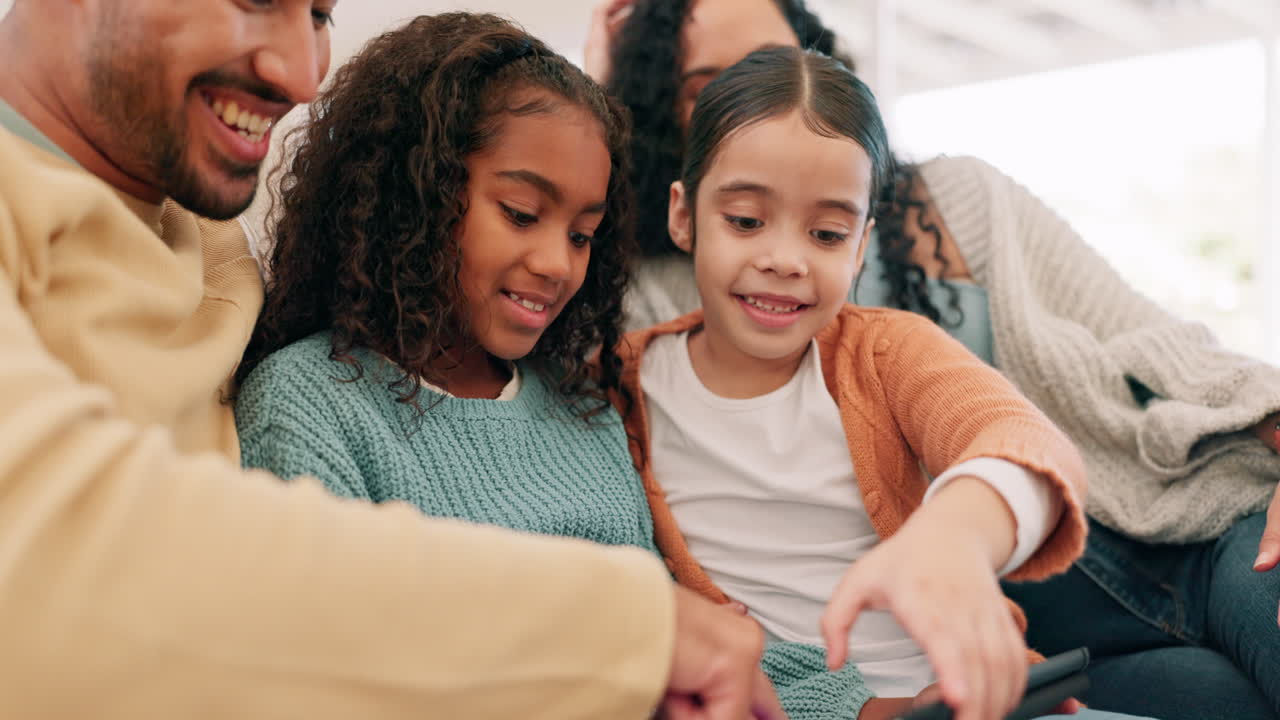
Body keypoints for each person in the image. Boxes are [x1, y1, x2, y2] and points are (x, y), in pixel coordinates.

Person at [0, 1, 780, 717]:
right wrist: (625, 634)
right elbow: (51, 542)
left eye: (317, 14)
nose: (302, 75)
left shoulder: (206, 237)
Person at [589, 0, 1280, 718]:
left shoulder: (888, 338)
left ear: (859, 242)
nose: (784, 258)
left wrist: (954, 537)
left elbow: (1033, 430)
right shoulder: (626, 365)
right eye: (744, 220)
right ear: (682, 205)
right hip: (968, 667)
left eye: (826, 233)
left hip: (1178, 533)